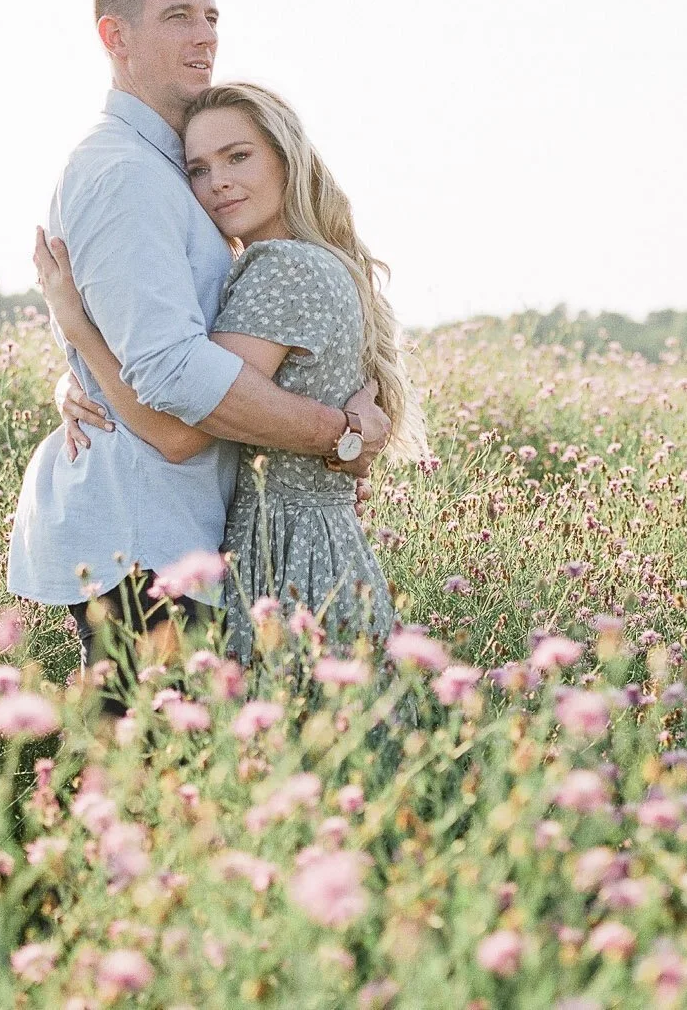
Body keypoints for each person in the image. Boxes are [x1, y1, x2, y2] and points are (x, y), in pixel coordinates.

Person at [7, 0, 391, 696]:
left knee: (167, 786)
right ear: (114, 37)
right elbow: (174, 384)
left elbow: (153, 341)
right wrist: (337, 434)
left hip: (185, 538)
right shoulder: (126, 174)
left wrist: (79, 357)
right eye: (177, 16)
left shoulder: (167, 169)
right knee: (149, 787)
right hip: (144, 536)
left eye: (211, 17)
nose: (205, 35)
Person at [34, 81, 424, 660]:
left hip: (286, 560)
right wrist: (76, 383)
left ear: (287, 160)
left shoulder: (280, 269)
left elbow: (182, 428)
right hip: (322, 550)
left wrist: (78, 328)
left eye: (238, 156)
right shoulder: (310, 262)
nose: (216, 182)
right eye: (197, 169)